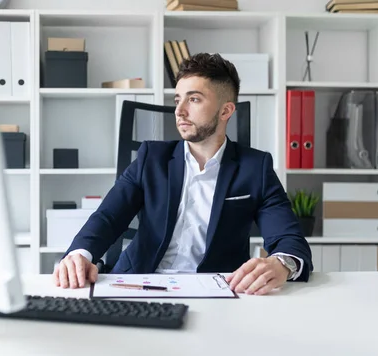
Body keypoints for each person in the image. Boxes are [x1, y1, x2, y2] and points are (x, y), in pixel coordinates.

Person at [53, 53, 313, 296]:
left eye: (194, 99)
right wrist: (80, 254)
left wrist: (282, 264)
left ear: (225, 111)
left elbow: (289, 240)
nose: (179, 111)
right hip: (141, 283)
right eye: (178, 99)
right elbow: (108, 217)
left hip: (216, 291)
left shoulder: (256, 168)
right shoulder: (150, 158)